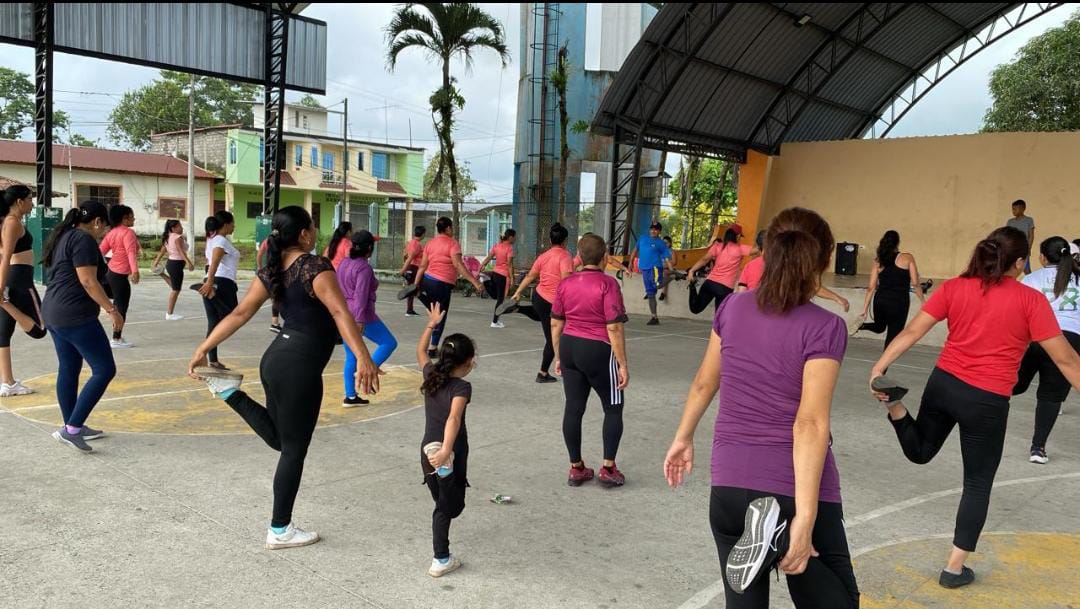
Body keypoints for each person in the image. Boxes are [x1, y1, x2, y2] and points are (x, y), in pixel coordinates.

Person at [664, 207, 858, 608]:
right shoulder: (824, 327)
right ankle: (777, 537)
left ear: (767, 252)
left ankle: (769, 536)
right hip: (791, 489)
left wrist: (683, 437)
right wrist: (804, 519)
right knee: (840, 600)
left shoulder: (732, 308)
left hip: (730, 485)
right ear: (824, 260)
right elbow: (809, 422)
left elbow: (705, 381)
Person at [869, 226, 1080, 589]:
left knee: (920, 451)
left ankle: (895, 405)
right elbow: (1067, 361)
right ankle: (954, 569)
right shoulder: (1030, 300)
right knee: (978, 483)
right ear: (1019, 262)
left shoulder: (954, 287)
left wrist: (879, 368)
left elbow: (912, 332)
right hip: (986, 400)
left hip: (944, 385)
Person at [188, 206, 380, 550]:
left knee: (282, 440)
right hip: (299, 368)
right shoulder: (315, 267)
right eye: (313, 227)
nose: (316, 233)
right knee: (292, 450)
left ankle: (230, 392)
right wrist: (364, 356)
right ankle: (280, 529)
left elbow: (240, 313)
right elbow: (340, 312)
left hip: (276, 361)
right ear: (304, 234)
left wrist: (205, 347)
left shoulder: (272, 270)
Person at [40, 200, 120, 452]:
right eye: (104, 227)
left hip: (53, 312)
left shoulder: (64, 235)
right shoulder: (84, 239)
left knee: (69, 368)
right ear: (97, 221)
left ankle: (72, 424)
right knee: (104, 369)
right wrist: (111, 309)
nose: (103, 232)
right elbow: (88, 280)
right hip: (74, 314)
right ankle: (72, 428)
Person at [551, 233, 629, 487]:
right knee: (613, 407)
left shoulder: (566, 283)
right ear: (605, 257)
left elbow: (556, 323)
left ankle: (576, 468)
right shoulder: (608, 284)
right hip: (598, 349)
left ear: (579, 256)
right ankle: (608, 468)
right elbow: (614, 327)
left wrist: (558, 355)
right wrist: (622, 364)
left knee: (573, 407)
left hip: (570, 346)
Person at [416, 302, 475, 578]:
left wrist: (432, 324)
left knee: (442, 504)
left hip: (426, 451)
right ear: (466, 362)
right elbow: (453, 419)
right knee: (450, 507)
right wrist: (446, 452)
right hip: (447, 452)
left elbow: (420, 352)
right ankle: (440, 559)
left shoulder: (431, 375)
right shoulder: (461, 387)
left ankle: (442, 556)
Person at [1013, 236, 1080, 464]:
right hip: (1069, 341)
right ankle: (1038, 448)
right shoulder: (1078, 278)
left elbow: (1017, 314)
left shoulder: (1031, 279)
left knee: (1013, 384)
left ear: (1042, 257)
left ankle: (978, 413)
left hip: (1037, 339)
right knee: (1050, 397)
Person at [338, 229, 397, 407]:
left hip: (344, 313)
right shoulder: (364, 268)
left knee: (352, 355)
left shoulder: (344, 262)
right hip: (361, 314)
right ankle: (366, 372)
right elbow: (361, 295)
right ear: (369, 248)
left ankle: (350, 396)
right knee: (389, 343)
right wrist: (360, 320)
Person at [509, 223, 574, 384]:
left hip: (538, 297)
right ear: (565, 240)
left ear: (550, 240)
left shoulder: (543, 256)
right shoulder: (565, 256)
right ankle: (542, 373)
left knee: (540, 316)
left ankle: (519, 309)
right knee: (553, 339)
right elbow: (566, 282)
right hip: (553, 303)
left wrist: (518, 292)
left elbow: (530, 276)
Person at [411, 217, 484, 358]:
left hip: (428, 280)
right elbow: (458, 265)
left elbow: (423, 266)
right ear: (448, 228)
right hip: (442, 284)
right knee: (440, 316)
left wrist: (416, 284)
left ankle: (419, 294)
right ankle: (432, 348)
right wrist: (475, 282)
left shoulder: (430, 243)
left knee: (434, 310)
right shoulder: (452, 243)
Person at [0, 185, 47, 397]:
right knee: (40, 329)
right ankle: (4, 303)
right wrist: (1, 290)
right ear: (19, 202)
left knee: (3, 333)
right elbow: (6, 257)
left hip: (14, 277)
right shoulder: (11, 222)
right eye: (29, 199)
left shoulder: (8, 221)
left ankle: (8, 383)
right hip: (19, 278)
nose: (32, 203)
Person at [737, 229, 851, 313]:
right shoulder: (786, 265)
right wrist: (837, 298)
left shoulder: (749, 266)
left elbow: (741, 294)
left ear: (758, 246)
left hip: (754, 312)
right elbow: (813, 287)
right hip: (778, 314)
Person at [853, 230, 926, 349]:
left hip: (880, 300)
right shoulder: (907, 257)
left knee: (879, 327)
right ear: (898, 242)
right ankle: (884, 361)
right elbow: (915, 283)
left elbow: (871, 287)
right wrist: (922, 301)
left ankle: (862, 326)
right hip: (899, 302)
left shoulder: (878, 261)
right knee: (893, 336)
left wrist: (864, 309)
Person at [197, 211, 240, 370]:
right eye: (233, 223)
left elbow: (208, 262)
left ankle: (213, 360)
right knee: (233, 315)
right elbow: (215, 259)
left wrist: (207, 280)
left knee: (213, 323)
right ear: (226, 224)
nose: (234, 226)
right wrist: (210, 282)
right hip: (221, 282)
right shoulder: (221, 240)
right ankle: (214, 297)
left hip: (213, 281)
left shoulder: (212, 239)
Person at [687, 224, 757, 314]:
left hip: (710, 283)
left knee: (695, 308)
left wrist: (692, 270)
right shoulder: (740, 249)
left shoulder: (717, 246)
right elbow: (758, 250)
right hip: (725, 288)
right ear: (738, 236)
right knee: (720, 316)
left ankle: (692, 286)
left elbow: (704, 259)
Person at [98, 205, 141, 348]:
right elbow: (130, 253)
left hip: (110, 273)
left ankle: (117, 337)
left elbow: (99, 251)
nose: (134, 219)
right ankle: (116, 339)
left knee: (117, 305)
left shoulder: (112, 232)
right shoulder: (128, 232)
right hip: (119, 276)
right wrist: (135, 271)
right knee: (121, 307)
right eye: (132, 216)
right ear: (125, 218)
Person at [629, 222, 674, 326]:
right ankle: (654, 317)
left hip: (655, 267)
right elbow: (635, 250)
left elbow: (667, 258)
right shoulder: (642, 238)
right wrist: (630, 262)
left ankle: (673, 276)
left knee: (657, 285)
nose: (653, 231)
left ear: (659, 231)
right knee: (650, 294)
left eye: (656, 229)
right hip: (644, 269)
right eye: (652, 229)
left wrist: (671, 269)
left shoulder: (661, 243)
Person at [150, 220, 194, 321]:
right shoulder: (177, 237)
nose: (182, 228)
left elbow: (163, 250)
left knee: (175, 286)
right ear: (173, 228)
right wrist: (188, 262)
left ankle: (161, 274)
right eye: (179, 226)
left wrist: (156, 262)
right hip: (176, 265)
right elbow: (181, 251)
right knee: (176, 290)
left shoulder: (168, 237)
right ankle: (169, 314)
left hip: (171, 264)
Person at [478, 228, 515, 328]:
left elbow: (489, 257)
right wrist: (512, 279)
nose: (515, 239)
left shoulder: (497, 246)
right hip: (503, 276)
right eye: (514, 237)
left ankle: (486, 281)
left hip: (495, 273)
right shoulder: (509, 248)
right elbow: (510, 265)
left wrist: (482, 265)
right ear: (510, 237)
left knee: (496, 297)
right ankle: (494, 322)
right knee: (500, 300)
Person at [256, 238, 282, 333]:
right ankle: (276, 323)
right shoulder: (284, 240)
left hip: (269, 271)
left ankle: (275, 323)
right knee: (279, 296)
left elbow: (259, 254)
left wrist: (259, 268)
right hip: (280, 270)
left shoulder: (267, 241)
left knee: (275, 296)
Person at [400, 226, 426, 317]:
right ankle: (430, 306)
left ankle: (409, 310)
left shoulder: (410, 243)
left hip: (411, 268)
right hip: (414, 268)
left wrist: (405, 268)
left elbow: (405, 255)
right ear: (423, 234)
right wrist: (403, 270)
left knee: (412, 288)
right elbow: (410, 257)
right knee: (423, 288)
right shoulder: (416, 245)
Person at [1007, 199, 1034, 274]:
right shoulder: (1010, 222)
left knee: (1026, 268)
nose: (1013, 211)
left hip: (1023, 247)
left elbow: (1031, 235)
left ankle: (1031, 280)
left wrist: (1029, 247)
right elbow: (1007, 235)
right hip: (1012, 248)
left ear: (1022, 209)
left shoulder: (1029, 220)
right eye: (1013, 209)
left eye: (1015, 209)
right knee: (1012, 267)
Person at [660, 235, 675, 302]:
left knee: (665, 274)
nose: (665, 244)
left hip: (668, 268)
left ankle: (663, 293)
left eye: (666, 243)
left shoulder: (671, 251)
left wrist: (666, 265)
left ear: (670, 243)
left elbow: (674, 262)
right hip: (661, 268)